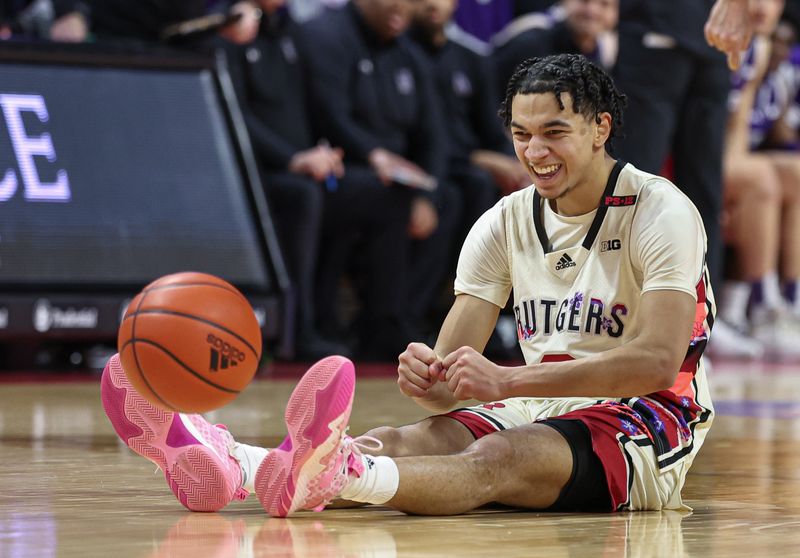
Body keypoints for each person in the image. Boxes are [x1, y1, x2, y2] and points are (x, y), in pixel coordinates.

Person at [101, 54, 716, 515]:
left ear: (600, 128)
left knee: (500, 457)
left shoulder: (660, 210)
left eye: (555, 132)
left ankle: (312, 472)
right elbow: (445, 391)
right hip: (538, 401)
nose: (535, 151)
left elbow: (657, 364)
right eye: (522, 134)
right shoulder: (501, 222)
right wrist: (428, 374)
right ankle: (236, 464)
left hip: (650, 418)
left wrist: (503, 381)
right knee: (404, 438)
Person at [297, 0, 451, 360]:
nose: (401, 8)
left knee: (455, 196)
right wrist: (372, 155)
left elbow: (435, 136)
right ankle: (384, 323)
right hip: (337, 168)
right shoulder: (328, 35)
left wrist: (430, 194)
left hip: (398, 179)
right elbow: (329, 114)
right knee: (389, 199)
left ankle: (406, 317)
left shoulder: (409, 57)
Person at [612, 0, 753, 357]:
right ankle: (615, 314)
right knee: (636, 182)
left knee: (704, 188)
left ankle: (702, 321)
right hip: (655, 24)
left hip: (713, 35)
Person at [221, 0, 350, 360]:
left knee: (375, 196)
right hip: (253, 172)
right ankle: (298, 329)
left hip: (307, 165)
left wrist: (328, 151)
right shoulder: (228, 29)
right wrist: (293, 159)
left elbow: (319, 104)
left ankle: (360, 323)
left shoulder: (294, 32)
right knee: (304, 196)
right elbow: (234, 113)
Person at [408, 0, 528, 333]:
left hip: (466, 168)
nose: (433, 3)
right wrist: (477, 158)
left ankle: (493, 319)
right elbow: (425, 137)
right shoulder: (403, 53)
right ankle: (434, 310)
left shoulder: (471, 57)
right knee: (464, 191)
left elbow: (493, 129)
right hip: (427, 168)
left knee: (503, 194)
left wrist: (517, 163)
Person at [717, 0, 800, 359]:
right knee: (760, 178)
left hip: (726, 161)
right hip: (686, 160)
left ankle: (789, 299)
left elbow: (738, 132)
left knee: (794, 172)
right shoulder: (718, 38)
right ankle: (762, 304)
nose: (764, 7)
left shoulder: (762, 49)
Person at [492, 0, 619, 99]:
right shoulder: (530, 40)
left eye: (604, 4)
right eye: (584, 1)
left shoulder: (606, 58)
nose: (592, 11)